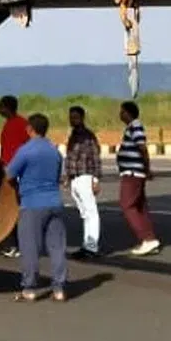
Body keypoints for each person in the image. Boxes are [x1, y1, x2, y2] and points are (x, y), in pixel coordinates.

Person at [6, 113, 68, 302]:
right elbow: (60, 176)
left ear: (29, 129)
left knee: (30, 247)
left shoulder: (26, 151)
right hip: (54, 202)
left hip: (32, 203)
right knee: (57, 247)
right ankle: (59, 288)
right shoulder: (54, 150)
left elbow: (9, 174)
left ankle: (30, 288)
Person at [117, 100, 161, 255]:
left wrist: (147, 168)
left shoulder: (135, 126)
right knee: (140, 206)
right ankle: (150, 238)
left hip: (133, 173)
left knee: (127, 205)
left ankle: (147, 239)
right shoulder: (131, 127)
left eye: (122, 112)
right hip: (134, 172)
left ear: (128, 113)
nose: (120, 114)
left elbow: (142, 148)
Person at [65, 105, 102, 259]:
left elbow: (95, 157)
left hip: (85, 176)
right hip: (75, 178)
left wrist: (96, 179)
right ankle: (87, 245)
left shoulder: (88, 136)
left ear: (82, 118)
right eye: (71, 117)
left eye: (75, 117)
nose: (72, 120)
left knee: (91, 213)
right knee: (85, 214)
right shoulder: (73, 135)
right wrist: (67, 177)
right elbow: (70, 158)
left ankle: (92, 247)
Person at [0, 95, 30, 258]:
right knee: (15, 209)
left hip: (16, 172)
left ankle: (19, 244)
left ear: (7, 107)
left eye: (0, 106)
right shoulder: (14, 124)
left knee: (17, 209)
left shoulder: (20, 124)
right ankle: (17, 244)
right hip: (10, 170)